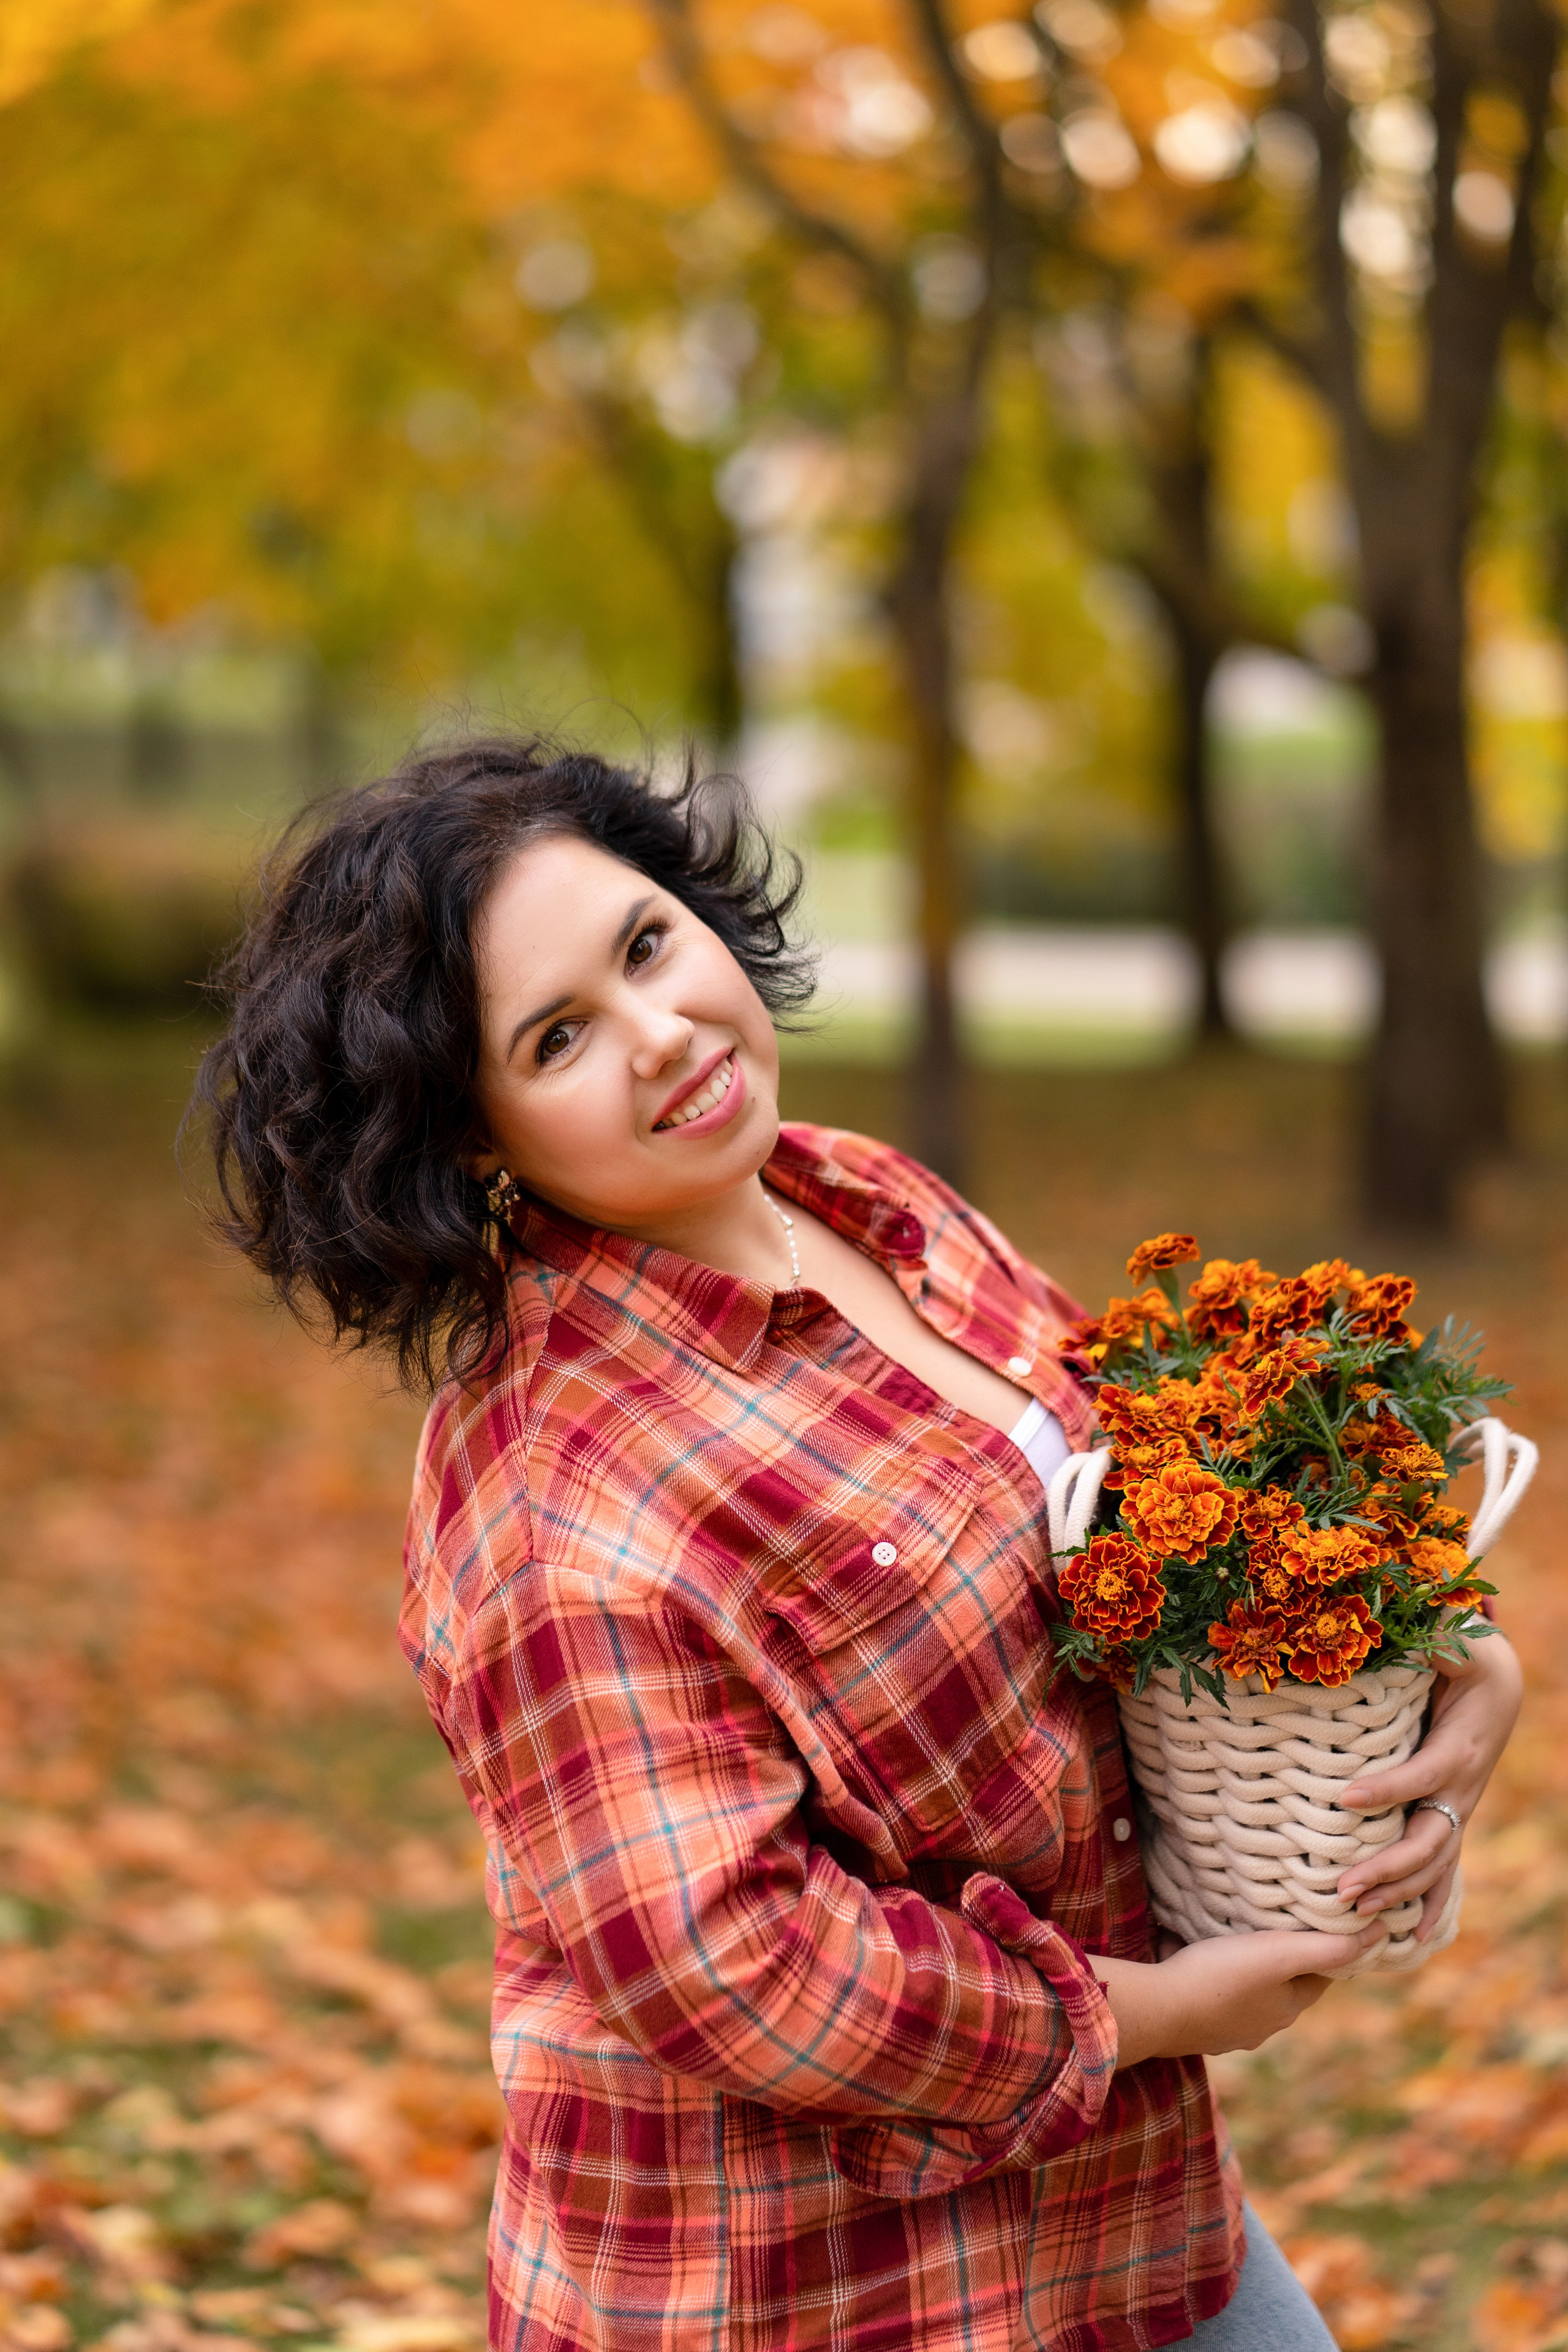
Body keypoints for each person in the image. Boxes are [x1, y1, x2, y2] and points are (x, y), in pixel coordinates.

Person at [193, 737, 1521, 2352]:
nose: (663, 1031)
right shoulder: (553, 1498)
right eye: (558, 1037)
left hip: (1126, 2227)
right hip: (815, 2291)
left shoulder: (871, 1198)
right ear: (471, 1143)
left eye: (643, 944)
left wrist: (1426, 1658)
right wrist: (1151, 2013)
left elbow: (1155, 1524)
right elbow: (732, 1964)